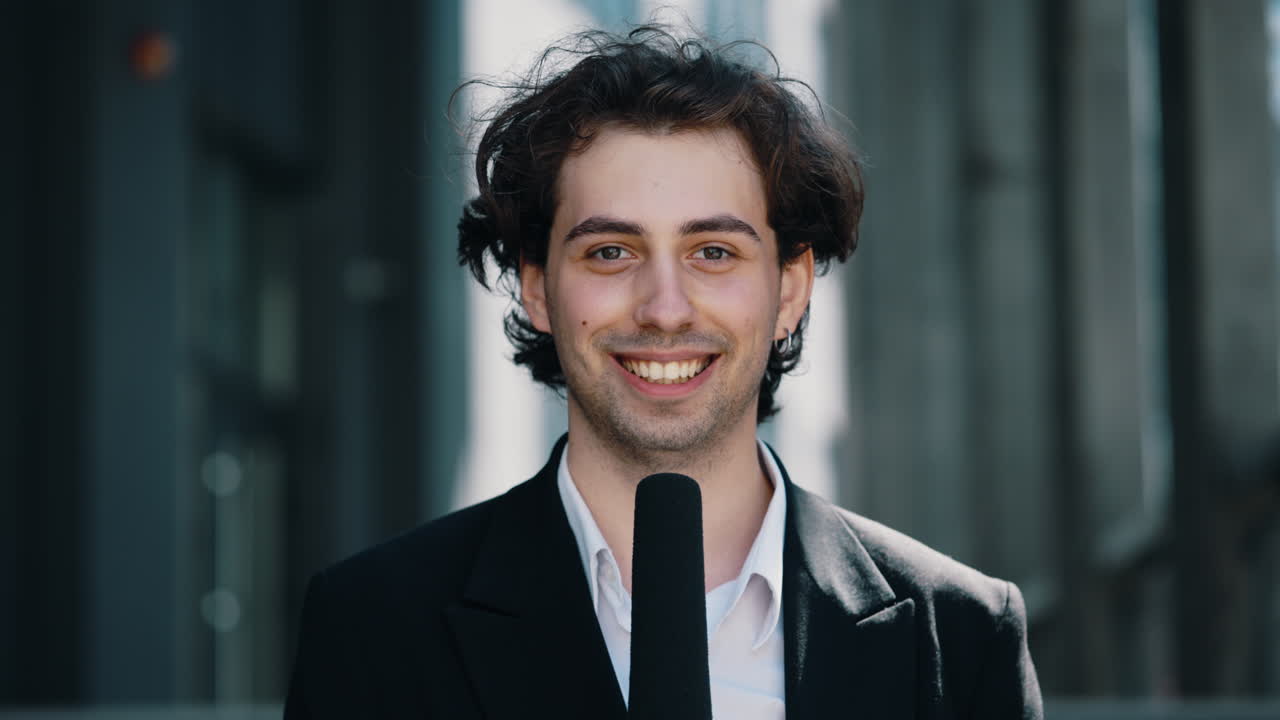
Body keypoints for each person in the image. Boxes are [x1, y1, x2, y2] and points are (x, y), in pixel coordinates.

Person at [284, 25, 1042, 719]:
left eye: (713, 252)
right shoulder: (374, 626)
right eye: (610, 252)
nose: (665, 308)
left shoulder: (961, 635)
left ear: (790, 289)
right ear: (537, 287)